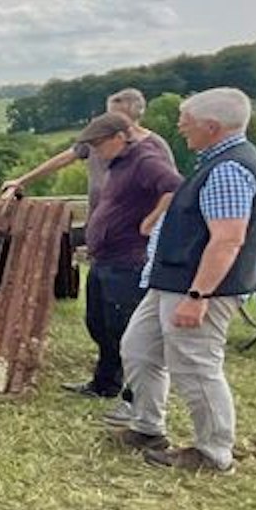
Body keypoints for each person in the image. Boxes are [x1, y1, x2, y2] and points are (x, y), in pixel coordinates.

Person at [109, 87, 256, 474]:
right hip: (172, 282)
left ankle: (213, 452)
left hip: (197, 288)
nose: (181, 128)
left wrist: (198, 296)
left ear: (212, 126)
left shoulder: (229, 169)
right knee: (139, 349)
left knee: (196, 366)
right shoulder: (214, 161)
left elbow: (227, 239)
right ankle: (148, 427)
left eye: (187, 122)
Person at [63, 112, 181, 399]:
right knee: (98, 323)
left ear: (119, 137)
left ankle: (134, 391)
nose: (96, 152)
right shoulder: (118, 162)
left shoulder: (145, 159)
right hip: (104, 257)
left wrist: (153, 219)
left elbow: (176, 187)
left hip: (127, 259)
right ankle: (105, 383)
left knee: (123, 327)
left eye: (99, 145)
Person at [0, 88, 168, 212]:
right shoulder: (98, 139)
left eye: (116, 116)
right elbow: (64, 158)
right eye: (108, 115)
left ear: (135, 115)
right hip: (99, 217)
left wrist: (152, 222)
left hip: (134, 225)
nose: (109, 120)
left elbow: (170, 189)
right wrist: (22, 181)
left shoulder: (154, 145)